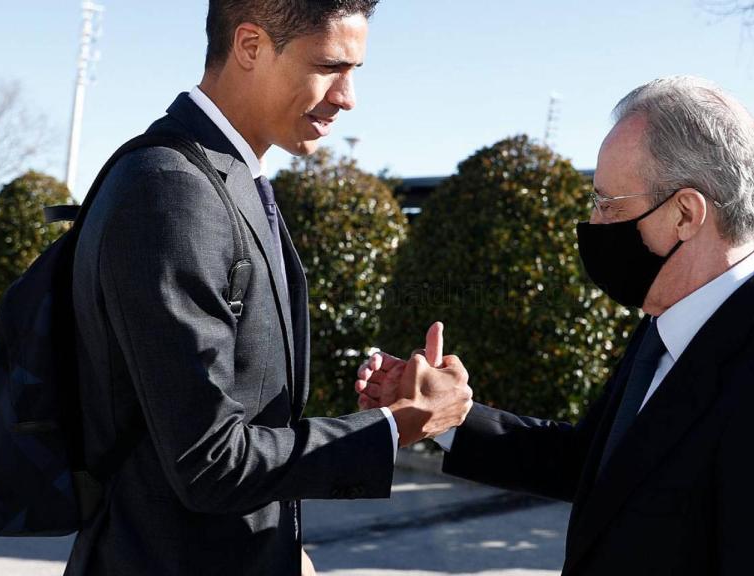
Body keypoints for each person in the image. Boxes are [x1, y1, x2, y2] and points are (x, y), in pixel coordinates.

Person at [358, 76, 754, 575]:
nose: (594, 226)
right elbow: (594, 463)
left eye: (607, 204)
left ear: (686, 213)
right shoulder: (668, 323)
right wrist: (448, 414)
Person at [66, 2, 472, 575]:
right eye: (331, 66)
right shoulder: (174, 192)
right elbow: (210, 462)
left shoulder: (227, 178)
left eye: (355, 71)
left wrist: (286, 547)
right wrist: (395, 427)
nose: (347, 96)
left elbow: (241, 420)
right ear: (251, 46)